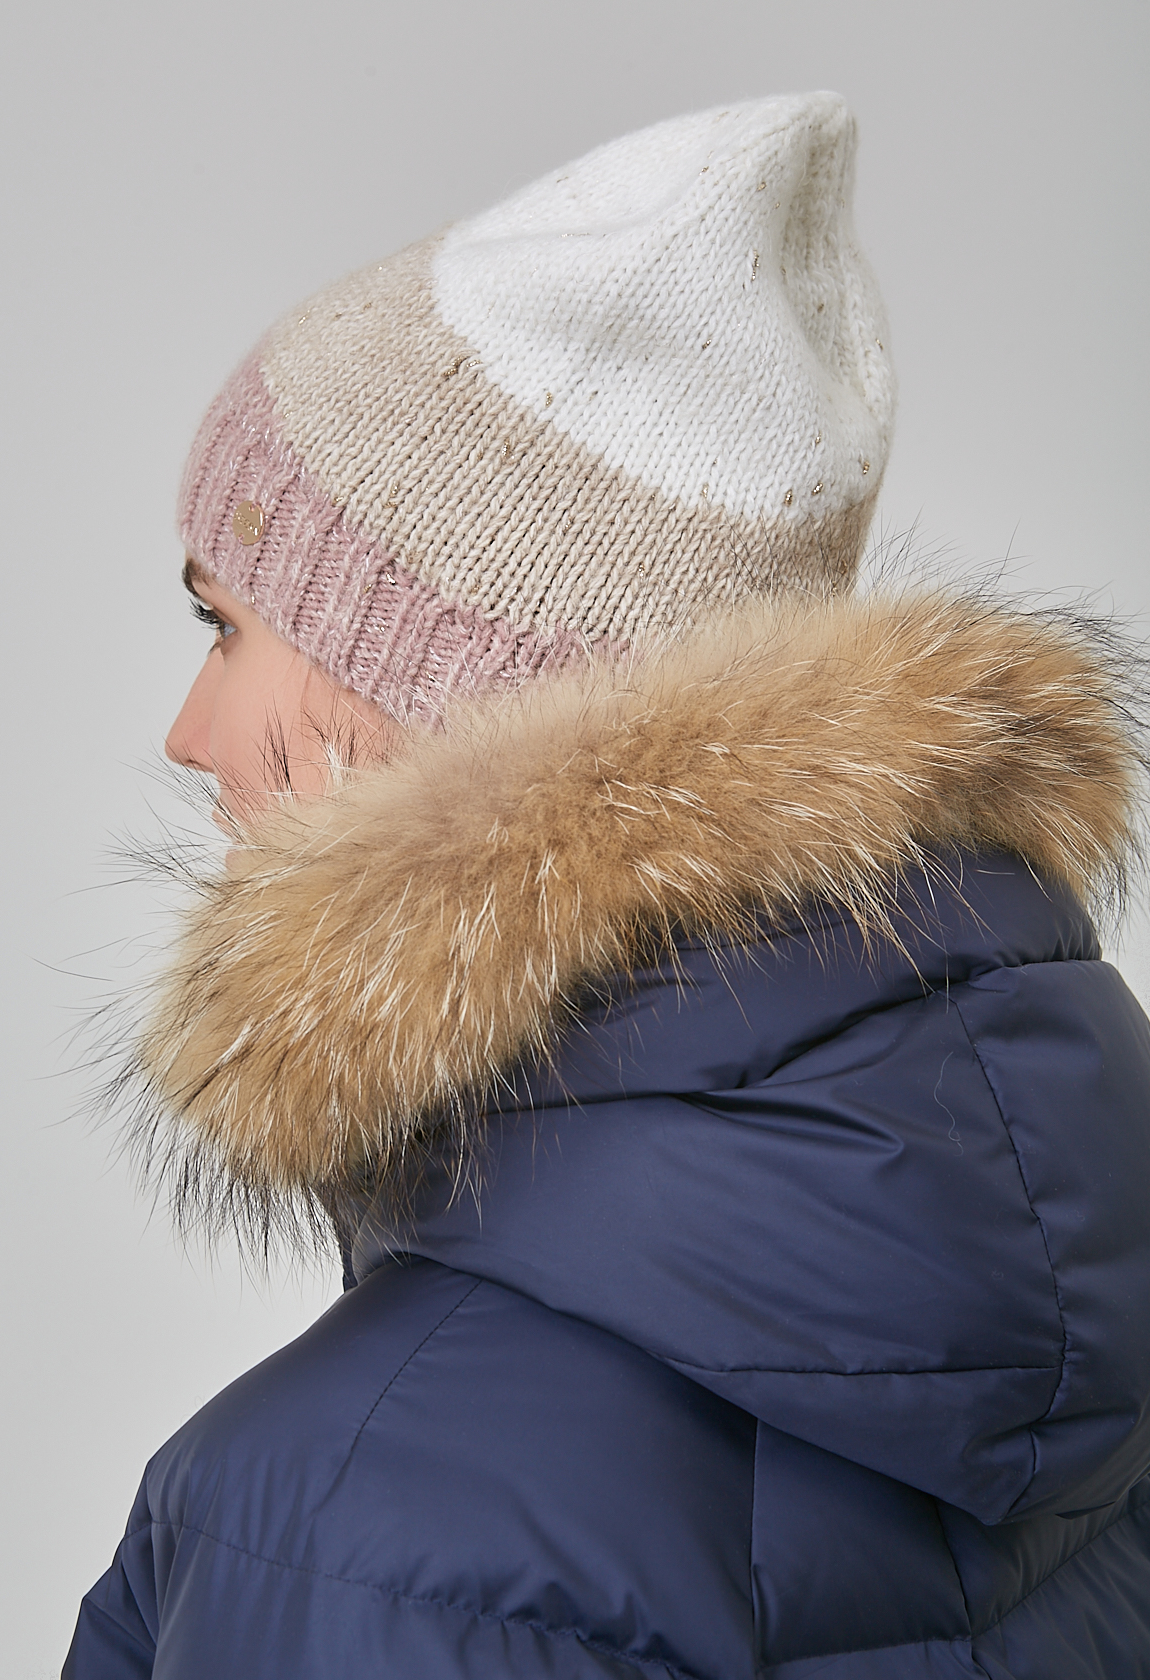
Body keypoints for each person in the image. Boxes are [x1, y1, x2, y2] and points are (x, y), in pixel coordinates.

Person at [63, 92, 1150, 1678]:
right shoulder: (1070, 1336)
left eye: (222, 625)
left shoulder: (361, 1526)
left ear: (429, 691)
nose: (188, 732)